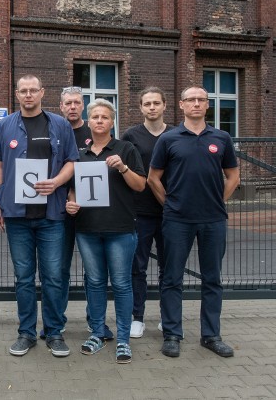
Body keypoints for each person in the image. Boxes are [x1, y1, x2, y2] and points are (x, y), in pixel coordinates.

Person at [148, 86, 240, 358]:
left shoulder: (221, 138)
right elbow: (154, 177)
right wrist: (170, 204)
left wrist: (217, 201)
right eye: (191, 100)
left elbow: (233, 176)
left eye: (201, 100)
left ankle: (211, 335)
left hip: (213, 220)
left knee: (212, 279)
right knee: (172, 278)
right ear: (181, 104)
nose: (196, 104)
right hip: (177, 220)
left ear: (207, 105)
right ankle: (172, 334)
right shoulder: (169, 139)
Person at [0, 74, 78, 357]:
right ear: (17, 94)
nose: (28, 95)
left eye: (33, 91)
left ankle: (53, 333)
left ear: (42, 92)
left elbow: (71, 162)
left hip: (51, 214)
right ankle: (26, 333)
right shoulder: (5, 126)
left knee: (53, 276)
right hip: (17, 216)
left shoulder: (61, 125)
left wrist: (57, 182)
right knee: (24, 277)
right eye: (23, 91)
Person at [65, 99, 146, 364]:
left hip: (120, 228)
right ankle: (98, 332)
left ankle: (123, 339)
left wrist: (122, 168)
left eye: (105, 117)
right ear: (89, 122)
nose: (99, 121)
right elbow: (74, 187)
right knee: (95, 283)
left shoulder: (126, 149)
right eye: (95, 117)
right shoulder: (80, 154)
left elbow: (140, 185)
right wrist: (72, 202)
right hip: (87, 229)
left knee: (122, 284)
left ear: (112, 122)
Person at [51, 86, 114, 342]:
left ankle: (95, 322)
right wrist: (66, 196)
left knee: (94, 271)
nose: (73, 107)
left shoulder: (95, 132)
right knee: (59, 270)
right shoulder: (54, 131)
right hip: (60, 211)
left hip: (92, 212)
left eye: (77, 102)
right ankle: (57, 322)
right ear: (61, 106)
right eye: (68, 103)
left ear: (83, 106)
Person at [121, 87, 174, 338]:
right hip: (139, 211)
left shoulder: (177, 134)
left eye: (156, 103)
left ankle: (168, 317)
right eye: (147, 104)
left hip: (171, 212)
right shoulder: (131, 135)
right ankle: (137, 317)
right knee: (137, 267)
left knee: (169, 266)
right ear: (140, 108)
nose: (152, 107)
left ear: (165, 105)